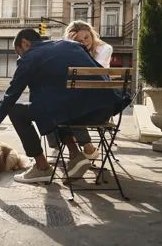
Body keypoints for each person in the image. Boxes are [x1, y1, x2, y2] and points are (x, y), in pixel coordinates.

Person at [0, 29, 123, 183]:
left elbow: (9, 98)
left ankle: (42, 167)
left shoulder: (30, 57)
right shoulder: (73, 45)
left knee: (17, 111)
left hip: (75, 112)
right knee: (52, 104)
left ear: (25, 44)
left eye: (18, 54)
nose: (19, 58)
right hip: (105, 109)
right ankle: (75, 155)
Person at [46, 21, 115, 162]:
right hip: (78, 102)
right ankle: (64, 147)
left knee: (64, 107)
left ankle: (78, 147)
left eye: (87, 38)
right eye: (79, 41)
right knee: (50, 103)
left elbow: (93, 74)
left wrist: (75, 49)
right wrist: (69, 47)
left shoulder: (104, 49)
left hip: (98, 105)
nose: (84, 42)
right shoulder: (71, 49)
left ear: (92, 34)